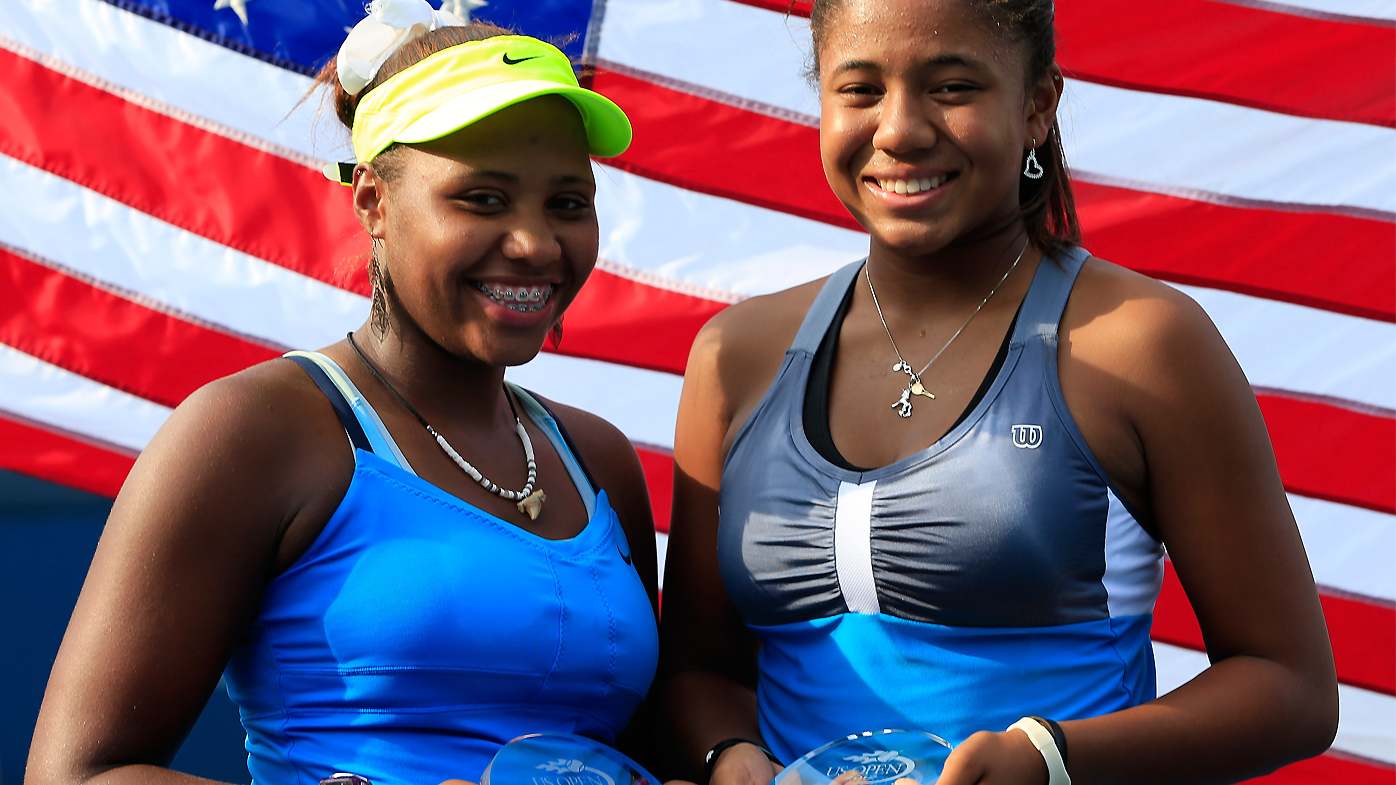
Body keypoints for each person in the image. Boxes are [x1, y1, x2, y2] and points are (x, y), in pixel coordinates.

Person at [658, 0, 1338, 783]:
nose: (900, 129)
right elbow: (697, 672)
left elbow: (1291, 686)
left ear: (1038, 105)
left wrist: (1051, 756)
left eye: (951, 87)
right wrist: (728, 756)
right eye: (860, 89)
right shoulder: (735, 354)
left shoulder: (1145, 341)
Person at [26, 7, 660, 785]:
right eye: (482, 200)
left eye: (567, 203)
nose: (534, 242)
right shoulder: (253, 432)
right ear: (374, 204)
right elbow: (79, 774)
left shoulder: (599, 461)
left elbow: (639, 750)